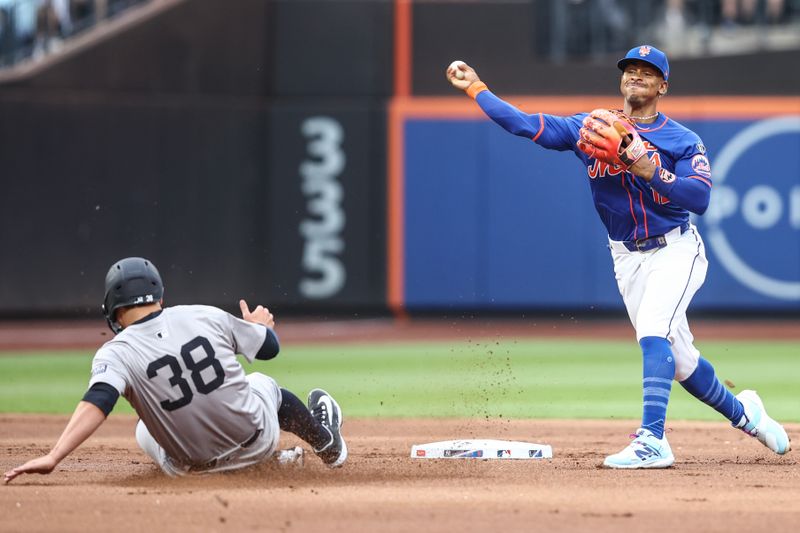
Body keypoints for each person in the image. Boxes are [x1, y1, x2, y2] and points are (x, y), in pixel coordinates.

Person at [445, 46, 791, 468]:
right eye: (631, 69)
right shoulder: (591, 127)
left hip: (675, 249)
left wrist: (648, 168)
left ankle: (652, 440)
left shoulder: (683, 139)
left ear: (663, 85)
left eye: (648, 71)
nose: (637, 75)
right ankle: (748, 416)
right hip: (626, 257)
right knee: (681, 363)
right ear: (621, 79)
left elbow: (699, 197)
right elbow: (524, 124)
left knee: (652, 332)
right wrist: (477, 88)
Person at [4, 257, 347, 483]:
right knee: (261, 381)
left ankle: (277, 460)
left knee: (143, 429)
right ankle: (326, 443)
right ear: (159, 296)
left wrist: (54, 455)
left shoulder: (115, 353)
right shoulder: (201, 314)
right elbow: (270, 349)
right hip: (257, 442)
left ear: (112, 309)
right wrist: (259, 327)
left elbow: (99, 400)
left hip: (191, 470)